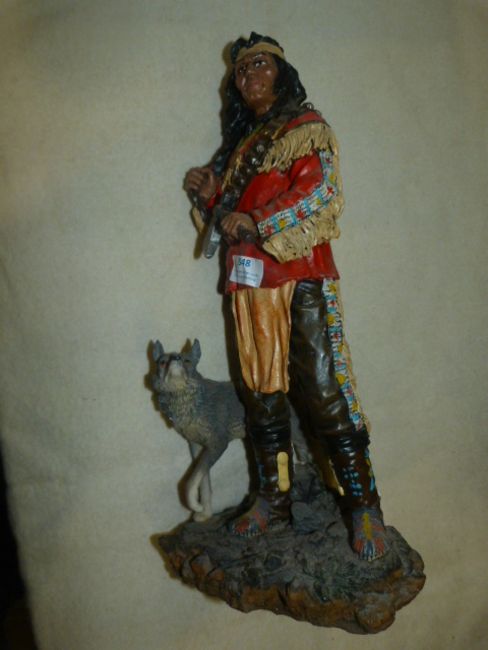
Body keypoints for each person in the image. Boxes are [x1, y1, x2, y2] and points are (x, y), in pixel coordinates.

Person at [184, 33, 388, 561]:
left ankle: (363, 505)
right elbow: (228, 220)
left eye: (259, 64)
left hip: (301, 278)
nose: (248, 75)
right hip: (249, 284)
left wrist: (257, 220)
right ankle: (272, 499)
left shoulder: (306, 128)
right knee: (260, 395)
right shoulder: (241, 148)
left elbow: (320, 194)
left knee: (323, 390)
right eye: (241, 69)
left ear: (281, 72)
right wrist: (210, 197)